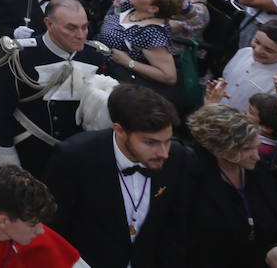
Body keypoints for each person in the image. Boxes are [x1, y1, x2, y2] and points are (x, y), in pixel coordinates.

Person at [44, 84, 190, 268]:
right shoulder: (74, 157)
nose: (163, 153)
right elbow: (52, 228)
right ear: (119, 130)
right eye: (150, 142)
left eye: (167, 141)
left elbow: (177, 226)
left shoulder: (178, 157)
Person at [0, 0, 108, 177]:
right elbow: (0, 111)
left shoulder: (95, 57)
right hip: (28, 152)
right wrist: (6, 158)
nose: (81, 35)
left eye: (84, 27)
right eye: (71, 28)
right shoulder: (21, 57)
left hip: (72, 159)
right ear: (49, 24)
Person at [183, 104, 277, 267]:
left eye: (256, 146)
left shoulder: (261, 171)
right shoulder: (192, 177)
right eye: (247, 149)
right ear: (221, 149)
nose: (256, 156)